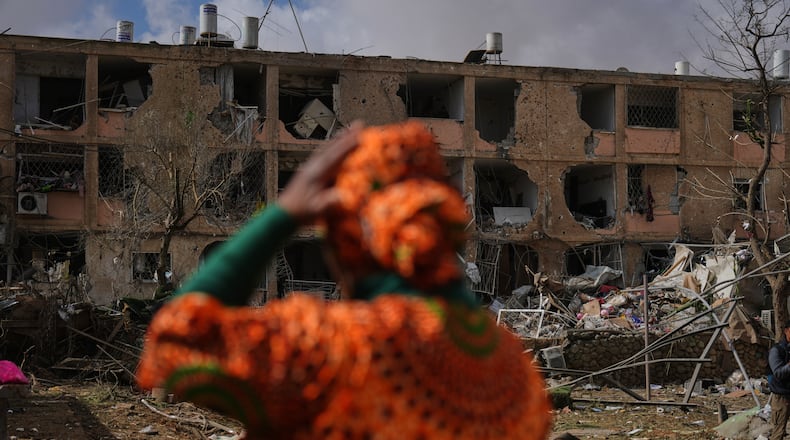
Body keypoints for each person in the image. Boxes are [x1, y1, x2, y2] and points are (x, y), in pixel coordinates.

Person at [136, 121, 552, 439]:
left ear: (351, 244)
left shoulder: (337, 349)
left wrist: (282, 215)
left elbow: (174, 347)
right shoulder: (516, 374)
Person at [769, 320, 790, 440]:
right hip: (782, 398)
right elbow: (778, 373)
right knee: (778, 432)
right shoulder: (776, 351)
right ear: (786, 331)